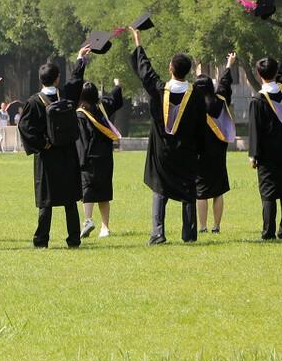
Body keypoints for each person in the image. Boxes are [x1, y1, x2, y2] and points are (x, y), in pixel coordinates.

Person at [130, 27, 206, 245]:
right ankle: (189, 234)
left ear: (171, 69)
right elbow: (201, 125)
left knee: (159, 187)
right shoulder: (196, 95)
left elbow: (146, 71)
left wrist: (138, 43)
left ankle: (158, 233)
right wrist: (199, 150)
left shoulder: (159, 90)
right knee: (188, 189)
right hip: (187, 150)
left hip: (162, 150)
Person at [19, 46, 89, 249]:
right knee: (69, 200)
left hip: (46, 157)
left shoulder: (33, 102)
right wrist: (80, 60)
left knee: (46, 201)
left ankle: (41, 240)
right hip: (67, 154)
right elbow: (76, 83)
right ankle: (74, 239)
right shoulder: (65, 96)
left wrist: (43, 143)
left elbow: (25, 127)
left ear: (41, 80)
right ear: (57, 78)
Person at [249, 26, 282, 240]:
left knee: (268, 192)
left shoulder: (258, 101)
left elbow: (255, 132)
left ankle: (268, 232)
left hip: (267, 154)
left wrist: (253, 155)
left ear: (259, 75)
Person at [75, 76, 123, 240]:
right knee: (104, 191)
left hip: (88, 158)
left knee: (87, 189)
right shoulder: (102, 109)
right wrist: (117, 85)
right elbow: (114, 99)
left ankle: (87, 220)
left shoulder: (80, 115)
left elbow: (81, 141)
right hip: (105, 157)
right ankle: (105, 227)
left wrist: (79, 162)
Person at [195, 53, 237, 234]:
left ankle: (202, 226)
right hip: (218, 150)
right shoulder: (219, 101)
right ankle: (216, 226)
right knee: (217, 190)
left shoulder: (194, 107)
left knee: (201, 192)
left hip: (199, 153)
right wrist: (228, 64)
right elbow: (225, 85)